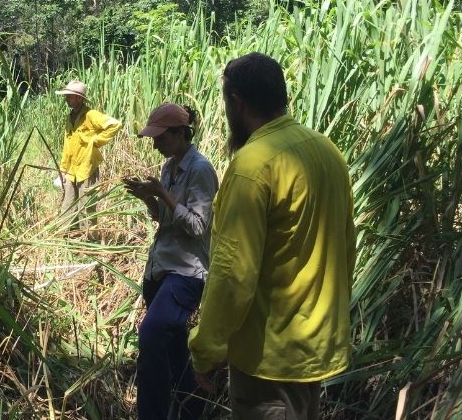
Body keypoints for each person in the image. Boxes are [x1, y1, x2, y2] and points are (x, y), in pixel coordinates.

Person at [188, 53, 356, 420]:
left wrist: (207, 349)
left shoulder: (252, 166)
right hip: (314, 349)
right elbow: (346, 249)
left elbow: (233, 273)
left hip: (268, 359)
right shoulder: (328, 153)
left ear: (237, 103)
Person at [123, 103, 218, 420]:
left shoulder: (200, 170)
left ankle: (151, 414)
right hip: (161, 268)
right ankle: (191, 407)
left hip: (186, 272)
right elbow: (163, 220)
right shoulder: (169, 167)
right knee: (174, 347)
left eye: (160, 138)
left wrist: (163, 194)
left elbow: (197, 226)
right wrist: (149, 198)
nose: (155, 144)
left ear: (180, 134)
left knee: (150, 334)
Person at [56, 79, 122, 234]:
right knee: (68, 206)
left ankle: (90, 242)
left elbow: (115, 124)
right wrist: (63, 169)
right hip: (72, 170)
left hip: (87, 167)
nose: (66, 99)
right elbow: (67, 145)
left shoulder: (91, 115)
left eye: (69, 96)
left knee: (87, 206)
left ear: (79, 98)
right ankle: (68, 238)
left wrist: (95, 141)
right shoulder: (69, 117)